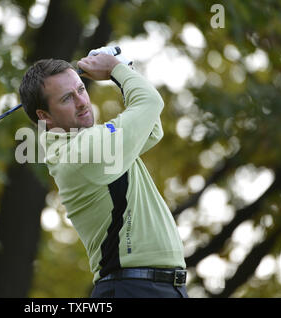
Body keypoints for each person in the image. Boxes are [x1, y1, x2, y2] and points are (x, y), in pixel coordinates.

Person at [19, 47, 188, 298]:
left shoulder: (93, 142)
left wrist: (123, 68)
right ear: (45, 117)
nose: (81, 102)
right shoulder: (83, 151)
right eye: (66, 98)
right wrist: (114, 69)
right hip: (133, 289)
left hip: (150, 288)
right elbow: (150, 102)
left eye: (81, 89)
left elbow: (151, 128)